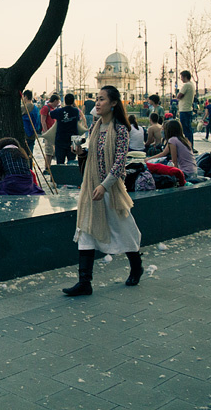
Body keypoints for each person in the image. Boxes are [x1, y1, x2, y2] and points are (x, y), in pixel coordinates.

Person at [63, 85, 142, 297]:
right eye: (96, 99)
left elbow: (119, 163)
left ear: (114, 103)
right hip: (91, 187)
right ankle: (84, 282)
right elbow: (90, 155)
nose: (97, 103)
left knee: (124, 230)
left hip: (110, 189)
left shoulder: (121, 130)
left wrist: (104, 185)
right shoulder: (95, 127)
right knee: (86, 230)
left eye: (102, 99)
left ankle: (137, 266)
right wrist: (80, 152)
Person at [50, 93, 83, 164]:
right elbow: (78, 119)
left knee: (60, 162)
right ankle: (70, 175)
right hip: (73, 140)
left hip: (60, 139)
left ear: (64, 101)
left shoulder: (59, 111)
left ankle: (61, 175)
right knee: (72, 161)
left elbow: (51, 114)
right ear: (73, 101)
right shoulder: (76, 111)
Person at [40, 94, 61, 172]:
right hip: (48, 132)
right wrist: (46, 132)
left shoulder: (53, 109)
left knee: (52, 151)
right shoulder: (46, 108)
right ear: (55, 101)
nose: (58, 104)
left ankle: (49, 167)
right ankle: (47, 168)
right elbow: (43, 121)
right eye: (57, 102)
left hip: (53, 132)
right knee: (49, 151)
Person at [176, 71, 195, 148]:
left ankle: (188, 145)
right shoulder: (192, 85)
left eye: (181, 77)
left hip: (184, 109)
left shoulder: (186, 85)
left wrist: (177, 95)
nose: (181, 79)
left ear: (185, 77)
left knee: (185, 129)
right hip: (188, 109)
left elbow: (179, 96)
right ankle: (190, 145)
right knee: (188, 129)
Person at [21, 90, 42, 156]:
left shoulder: (24, 107)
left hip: (26, 134)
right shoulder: (36, 108)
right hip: (33, 134)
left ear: (25, 97)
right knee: (30, 153)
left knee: (24, 154)